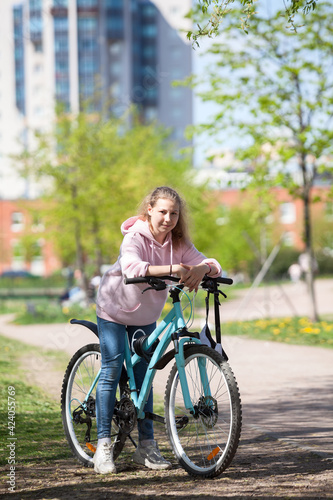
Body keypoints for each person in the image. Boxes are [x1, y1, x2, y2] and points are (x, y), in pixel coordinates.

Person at [94, 186, 222, 474]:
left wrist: (203, 269)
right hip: (113, 309)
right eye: (162, 211)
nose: (168, 218)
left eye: (174, 213)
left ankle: (147, 447)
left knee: (144, 375)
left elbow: (214, 264)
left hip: (145, 316)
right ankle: (103, 446)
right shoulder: (135, 236)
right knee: (112, 368)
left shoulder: (178, 242)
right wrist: (172, 268)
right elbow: (131, 267)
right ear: (149, 209)